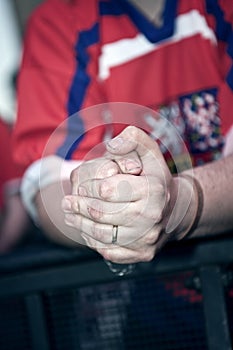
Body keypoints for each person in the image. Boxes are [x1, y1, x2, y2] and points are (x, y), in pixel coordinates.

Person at [13, 0, 233, 264]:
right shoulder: (59, 23)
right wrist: (106, 215)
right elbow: (49, 185)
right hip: (148, 293)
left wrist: (178, 204)